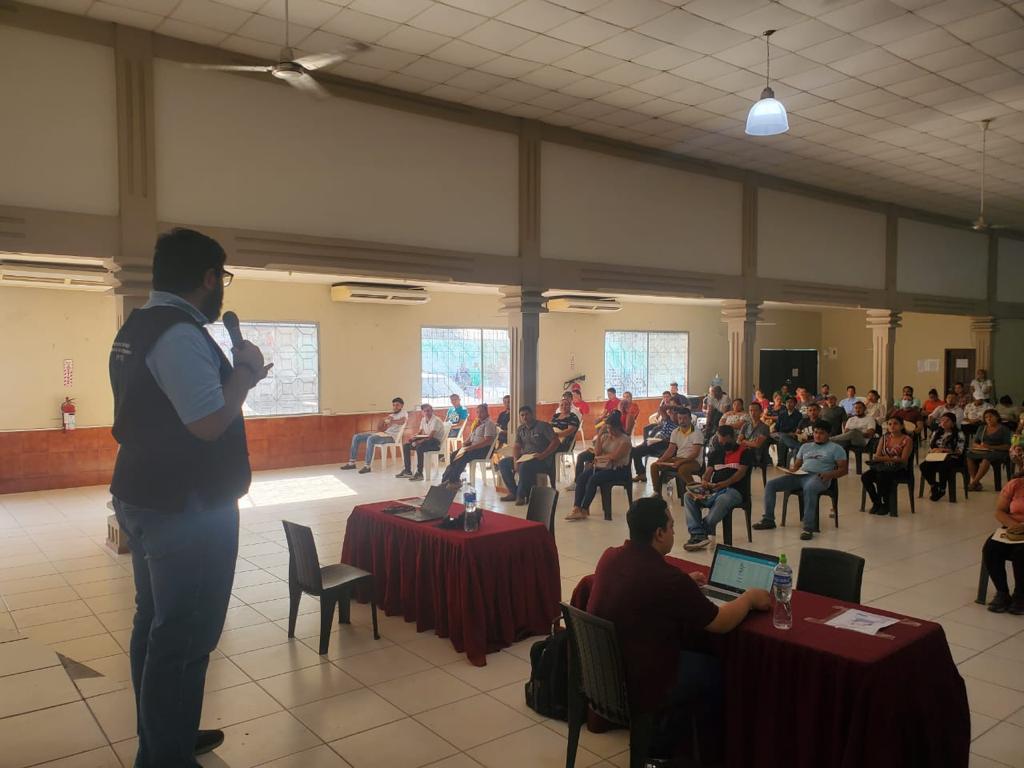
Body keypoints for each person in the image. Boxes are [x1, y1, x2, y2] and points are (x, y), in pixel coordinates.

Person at [109, 228, 271, 765]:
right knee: (185, 635)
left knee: (156, 623)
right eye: (222, 278)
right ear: (208, 278)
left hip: (144, 493)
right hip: (186, 508)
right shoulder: (179, 334)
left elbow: (170, 408)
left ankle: (165, 735)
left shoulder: (138, 325)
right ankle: (165, 755)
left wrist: (238, 378)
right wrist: (244, 372)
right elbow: (206, 424)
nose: (221, 288)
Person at [587, 496, 770, 763]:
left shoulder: (610, 557)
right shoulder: (667, 579)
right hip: (641, 682)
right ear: (659, 533)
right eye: (672, 526)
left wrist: (683, 583)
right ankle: (699, 753)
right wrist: (749, 598)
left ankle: (667, 740)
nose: (674, 532)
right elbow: (721, 622)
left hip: (603, 673)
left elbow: (646, 586)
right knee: (712, 671)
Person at [755, 420, 848, 540]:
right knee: (770, 484)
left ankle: (808, 527)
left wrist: (830, 474)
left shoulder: (836, 448)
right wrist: (791, 471)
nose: (817, 435)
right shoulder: (805, 446)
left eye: (821, 433)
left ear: (828, 434)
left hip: (819, 477)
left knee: (810, 488)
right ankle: (768, 519)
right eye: (815, 432)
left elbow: (843, 470)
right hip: (800, 475)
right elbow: (796, 466)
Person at [683, 424, 752, 551]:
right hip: (714, 489)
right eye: (720, 441)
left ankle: (700, 533)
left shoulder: (745, 452)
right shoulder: (715, 453)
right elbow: (708, 472)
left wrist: (724, 483)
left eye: (725, 441)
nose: (722, 444)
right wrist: (704, 481)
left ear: (732, 437)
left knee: (723, 499)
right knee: (688, 496)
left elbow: (740, 474)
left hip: (734, 490)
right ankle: (698, 533)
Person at [566, 411, 631, 521]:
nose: (609, 431)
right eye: (607, 428)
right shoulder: (606, 437)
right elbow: (597, 453)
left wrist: (601, 457)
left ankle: (584, 509)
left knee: (593, 479)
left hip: (618, 470)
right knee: (582, 477)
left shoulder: (624, 440)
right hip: (603, 467)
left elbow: (614, 457)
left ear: (617, 427)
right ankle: (576, 508)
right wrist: (600, 435)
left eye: (611, 429)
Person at [498, 405, 560, 505]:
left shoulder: (543, 426)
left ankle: (521, 496)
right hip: (525, 457)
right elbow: (517, 446)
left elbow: (556, 442)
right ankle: (513, 492)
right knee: (503, 463)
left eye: (526, 414)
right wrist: (515, 460)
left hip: (541, 459)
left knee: (524, 466)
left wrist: (543, 454)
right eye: (522, 415)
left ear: (532, 415)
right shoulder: (521, 429)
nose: (524, 417)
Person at [982, 473, 1024, 614]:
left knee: (1021, 553)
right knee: (991, 548)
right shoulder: (1015, 484)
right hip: (1013, 528)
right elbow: (1000, 511)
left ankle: (1020, 595)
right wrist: (1014, 526)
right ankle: (1002, 592)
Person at [340, 397, 408, 473]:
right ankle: (352, 463)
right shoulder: (391, 415)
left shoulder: (404, 413)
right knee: (356, 437)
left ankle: (367, 466)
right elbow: (380, 429)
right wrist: (382, 421)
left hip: (392, 437)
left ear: (402, 406)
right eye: (394, 405)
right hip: (384, 434)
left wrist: (392, 421)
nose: (395, 407)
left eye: (397, 405)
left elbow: (403, 421)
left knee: (371, 439)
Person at [862, 417, 913, 516]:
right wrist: (888, 459)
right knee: (865, 477)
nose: (892, 426)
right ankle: (877, 502)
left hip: (899, 469)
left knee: (882, 476)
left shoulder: (907, 440)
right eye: (890, 424)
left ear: (902, 426)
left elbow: (903, 459)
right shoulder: (884, 438)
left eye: (895, 423)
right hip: (882, 467)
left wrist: (886, 458)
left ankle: (886, 504)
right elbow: (877, 456)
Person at [650, 407, 704, 496]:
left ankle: (697, 492)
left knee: (682, 469)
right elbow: (670, 450)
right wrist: (661, 459)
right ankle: (657, 493)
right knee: (654, 466)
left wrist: (680, 462)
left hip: (693, 461)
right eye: (680, 418)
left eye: (685, 418)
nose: (682, 421)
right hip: (678, 459)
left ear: (690, 419)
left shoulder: (697, 433)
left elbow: (695, 454)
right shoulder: (675, 432)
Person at [441, 404, 497, 487]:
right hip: (474, 447)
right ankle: (446, 479)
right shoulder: (478, 423)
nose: (479, 414)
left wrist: (471, 447)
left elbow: (488, 441)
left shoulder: (489, 424)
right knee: (454, 455)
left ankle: (453, 481)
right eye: (477, 412)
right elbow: (472, 436)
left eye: (481, 412)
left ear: (486, 412)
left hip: (483, 450)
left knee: (462, 457)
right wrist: (466, 443)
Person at [920, 413, 966, 501]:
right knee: (924, 466)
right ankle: (934, 485)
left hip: (953, 457)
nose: (944, 422)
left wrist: (945, 450)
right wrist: (933, 450)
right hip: (937, 456)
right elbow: (931, 446)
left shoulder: (959, 434)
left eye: (947, 421)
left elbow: (959, 451)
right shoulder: (937, 432)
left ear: (953, 423)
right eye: (942, 420)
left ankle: (942, 488)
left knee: (943, 466)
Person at [397, 403, 447, 480]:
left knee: (419, 447)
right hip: (426, 441)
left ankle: (419, 473)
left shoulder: (436, 420)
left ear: (432, 411)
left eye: (428, 411)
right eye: (425, 411)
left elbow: (430, 436)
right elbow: (420, 432)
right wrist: (414, 437)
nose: (427, 413)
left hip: (435, 443)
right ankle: (407, 471)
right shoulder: (423, 419)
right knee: (406, 446)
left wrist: (418, 442)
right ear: (422, 412)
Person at [967, 409, 1013, 491]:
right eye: (986, 417)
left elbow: (1007, 446)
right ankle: (976, 482)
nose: (988, 419)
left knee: (986, 459)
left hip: (999, 451)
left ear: (997, 417)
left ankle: (973, 483)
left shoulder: (1004, 429)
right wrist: (979, 446)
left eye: (991, 416)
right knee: (969, 455)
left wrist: (990, 447)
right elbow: (974, 443)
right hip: (984, 450)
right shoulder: (982, 428)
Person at [632, 402, 676, 482]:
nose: (670, 413)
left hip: (668, 445)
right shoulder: (668, 419)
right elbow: (661, 408)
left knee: (658, 449)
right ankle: (641, 474)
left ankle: (666, 476)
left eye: (672, 411)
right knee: (636, 451)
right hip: (657, 443)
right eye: (669, 411)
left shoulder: (679, 423)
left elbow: (674, 441)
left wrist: (675, 407)